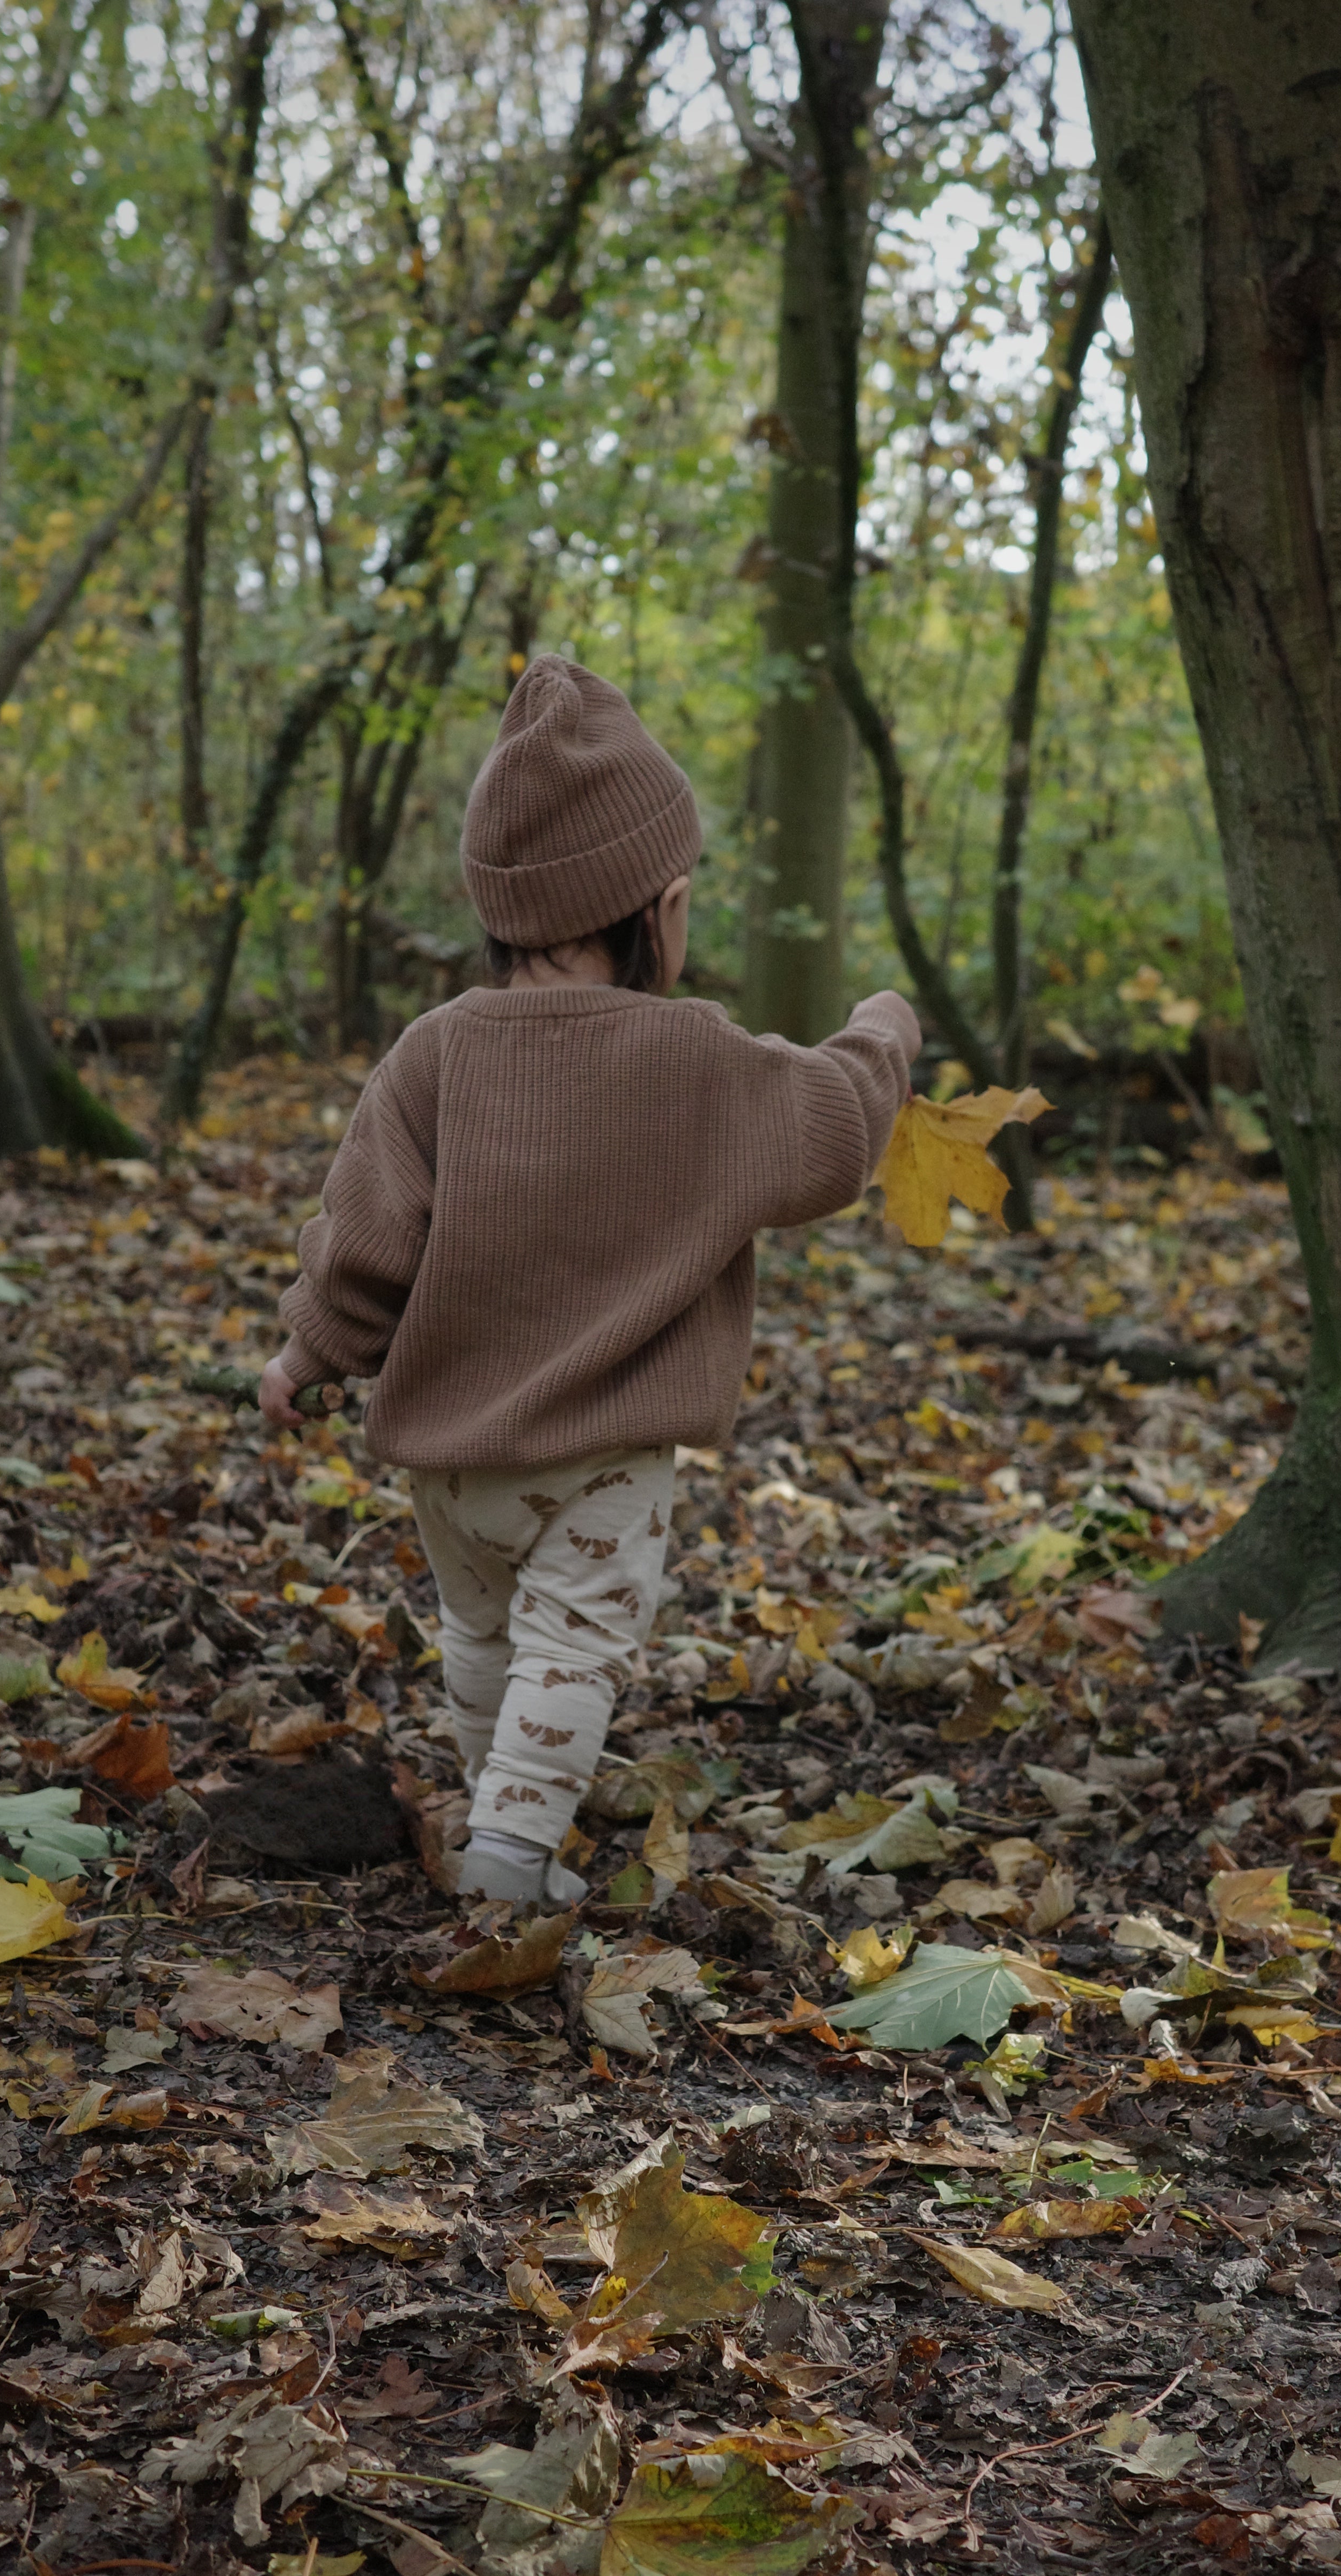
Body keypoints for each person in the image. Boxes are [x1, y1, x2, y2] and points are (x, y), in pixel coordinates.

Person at [259, 655, 919, 1906]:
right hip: (601, 1457)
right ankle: (510, 1857)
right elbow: (835, 1126)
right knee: (575, 1643)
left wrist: (304, 1354)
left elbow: (366, 1238)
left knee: (484, 1637)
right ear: (656, 909)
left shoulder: (434, 1053)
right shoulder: (693, 1058)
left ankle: (494, 1817)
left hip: (450, 1455)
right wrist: (884, 1028)